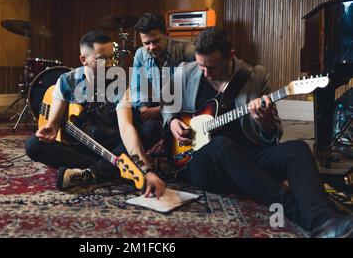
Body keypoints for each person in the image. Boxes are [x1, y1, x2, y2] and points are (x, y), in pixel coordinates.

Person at [162, 26, 353, 238]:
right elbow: (167, 104)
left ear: (230, 56)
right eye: (201, 67)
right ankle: (296, 211)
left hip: (247, 159)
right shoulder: (185, 71)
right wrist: (171, 121)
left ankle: (323, 221)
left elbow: (274, 134)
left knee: (297, 149)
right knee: (220, 144)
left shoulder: (255, 75)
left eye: (213, 68)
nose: (206, 74)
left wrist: (265, 122)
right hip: (202, 163)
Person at [25, 30, 166, 198]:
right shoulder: (66, 81)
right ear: (83, 60)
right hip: (81, 150)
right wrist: (50, 127)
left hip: (113, 145)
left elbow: (126, 128)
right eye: (102, 59)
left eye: (111, 57)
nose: (109, 64)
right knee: (33, 145)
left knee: (152, 128)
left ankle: (90, 173)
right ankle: (105, 169)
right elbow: (53, 125)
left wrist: (147, 170)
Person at [130, 13, 195, 153]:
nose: (151, 47)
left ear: (166, 34)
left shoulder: (188, 51)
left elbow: (196, 92)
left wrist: (161, 110)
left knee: (150, 131)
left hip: (183, 112)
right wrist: (143, 108)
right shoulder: (140, 54)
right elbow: (137, 86)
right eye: (146, 43)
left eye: (156, 41)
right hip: (155, 111)